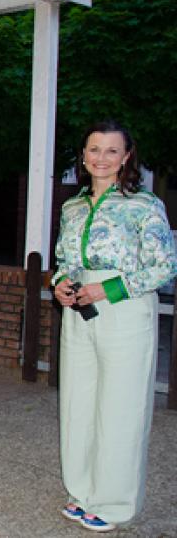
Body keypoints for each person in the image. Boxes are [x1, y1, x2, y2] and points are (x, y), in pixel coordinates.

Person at [52, 120, 177, 532]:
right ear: (83, 156)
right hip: (78, 310)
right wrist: (61, 285)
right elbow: (62, 259)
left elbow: (165, 266)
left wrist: (107, 290)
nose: (100, 158)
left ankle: (115, 502)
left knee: (121, 408)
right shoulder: (73, 206)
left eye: (110, 151)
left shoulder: (144, 204)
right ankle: (83, 490)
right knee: (78, 403)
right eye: (93, 150)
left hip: (124, 307)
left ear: (126, 157)